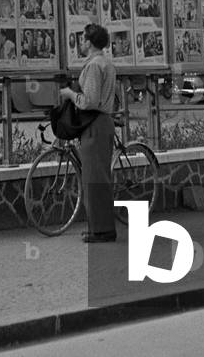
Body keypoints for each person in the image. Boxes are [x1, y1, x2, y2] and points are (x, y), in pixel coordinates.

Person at [59, 23, 117, 243]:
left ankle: (102, 230)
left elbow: (90, 101)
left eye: (83, 40)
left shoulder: (94, 66)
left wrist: (70, 95)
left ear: (90, 42)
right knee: (97, 176)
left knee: (94, 178)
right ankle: (98, 227)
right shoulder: (106, 64)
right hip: (104, 123)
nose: (81, 44)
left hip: (95, 124)